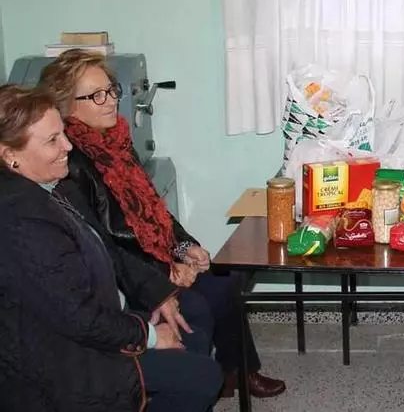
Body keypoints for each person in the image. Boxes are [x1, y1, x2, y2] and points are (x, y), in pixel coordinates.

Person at [38, 49, 287, 399]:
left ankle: (238, 373)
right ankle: (192, 380)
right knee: (199, 305)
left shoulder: (116, 142)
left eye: (111, 90)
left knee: (225, 280)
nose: (111, 100)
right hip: (132, 277)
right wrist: (166, 272)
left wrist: (185, 247)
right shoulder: (71, 165)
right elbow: (109, 246)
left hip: (153, 260)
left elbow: (153, 210)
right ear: (66, 106)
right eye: (96, 96)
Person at [0, 85, 222, 412]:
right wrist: (148, 335)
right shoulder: (20, 219)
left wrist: (158, 294)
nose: (68, 146)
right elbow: (78, 318)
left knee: (192, 330)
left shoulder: (56, 187)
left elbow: (110, 252)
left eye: (63, 134)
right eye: (52, 140)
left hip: (99, 321)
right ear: (10, 156)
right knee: (201, 376)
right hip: (62, 358)